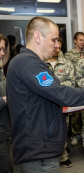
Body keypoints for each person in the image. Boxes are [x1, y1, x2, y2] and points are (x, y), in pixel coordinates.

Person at [6, 16, 84, 173]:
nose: (57, 45)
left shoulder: (29, 62)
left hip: (39, 150)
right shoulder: (28, 63)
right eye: (54, 40)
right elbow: (62, 94)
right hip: (38, 154)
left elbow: (42, 100)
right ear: (37, 36)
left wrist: (69, 107)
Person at [46, 37, 74, 168]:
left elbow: (72, 83)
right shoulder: (41, 63)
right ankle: (49, 157)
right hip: (45, 104)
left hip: (62, 104)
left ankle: (63, 156)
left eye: (59, 47)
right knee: (47, 131)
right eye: (54, 46)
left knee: (62, 130)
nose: (57, 49)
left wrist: (58, 87)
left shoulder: (67, 63)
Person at [64, 31, 84, 146]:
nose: (82, 42)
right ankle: (74, 135)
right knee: (74, 114)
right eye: (80, 40)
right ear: (75, 41)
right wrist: (79, 62)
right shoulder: (68, 55)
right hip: (74, 88)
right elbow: (67, 70)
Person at [0, 33, 13, 173]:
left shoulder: (0, 70)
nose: (2, 53)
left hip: (4, 129)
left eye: (3, 50)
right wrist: (5, 99)